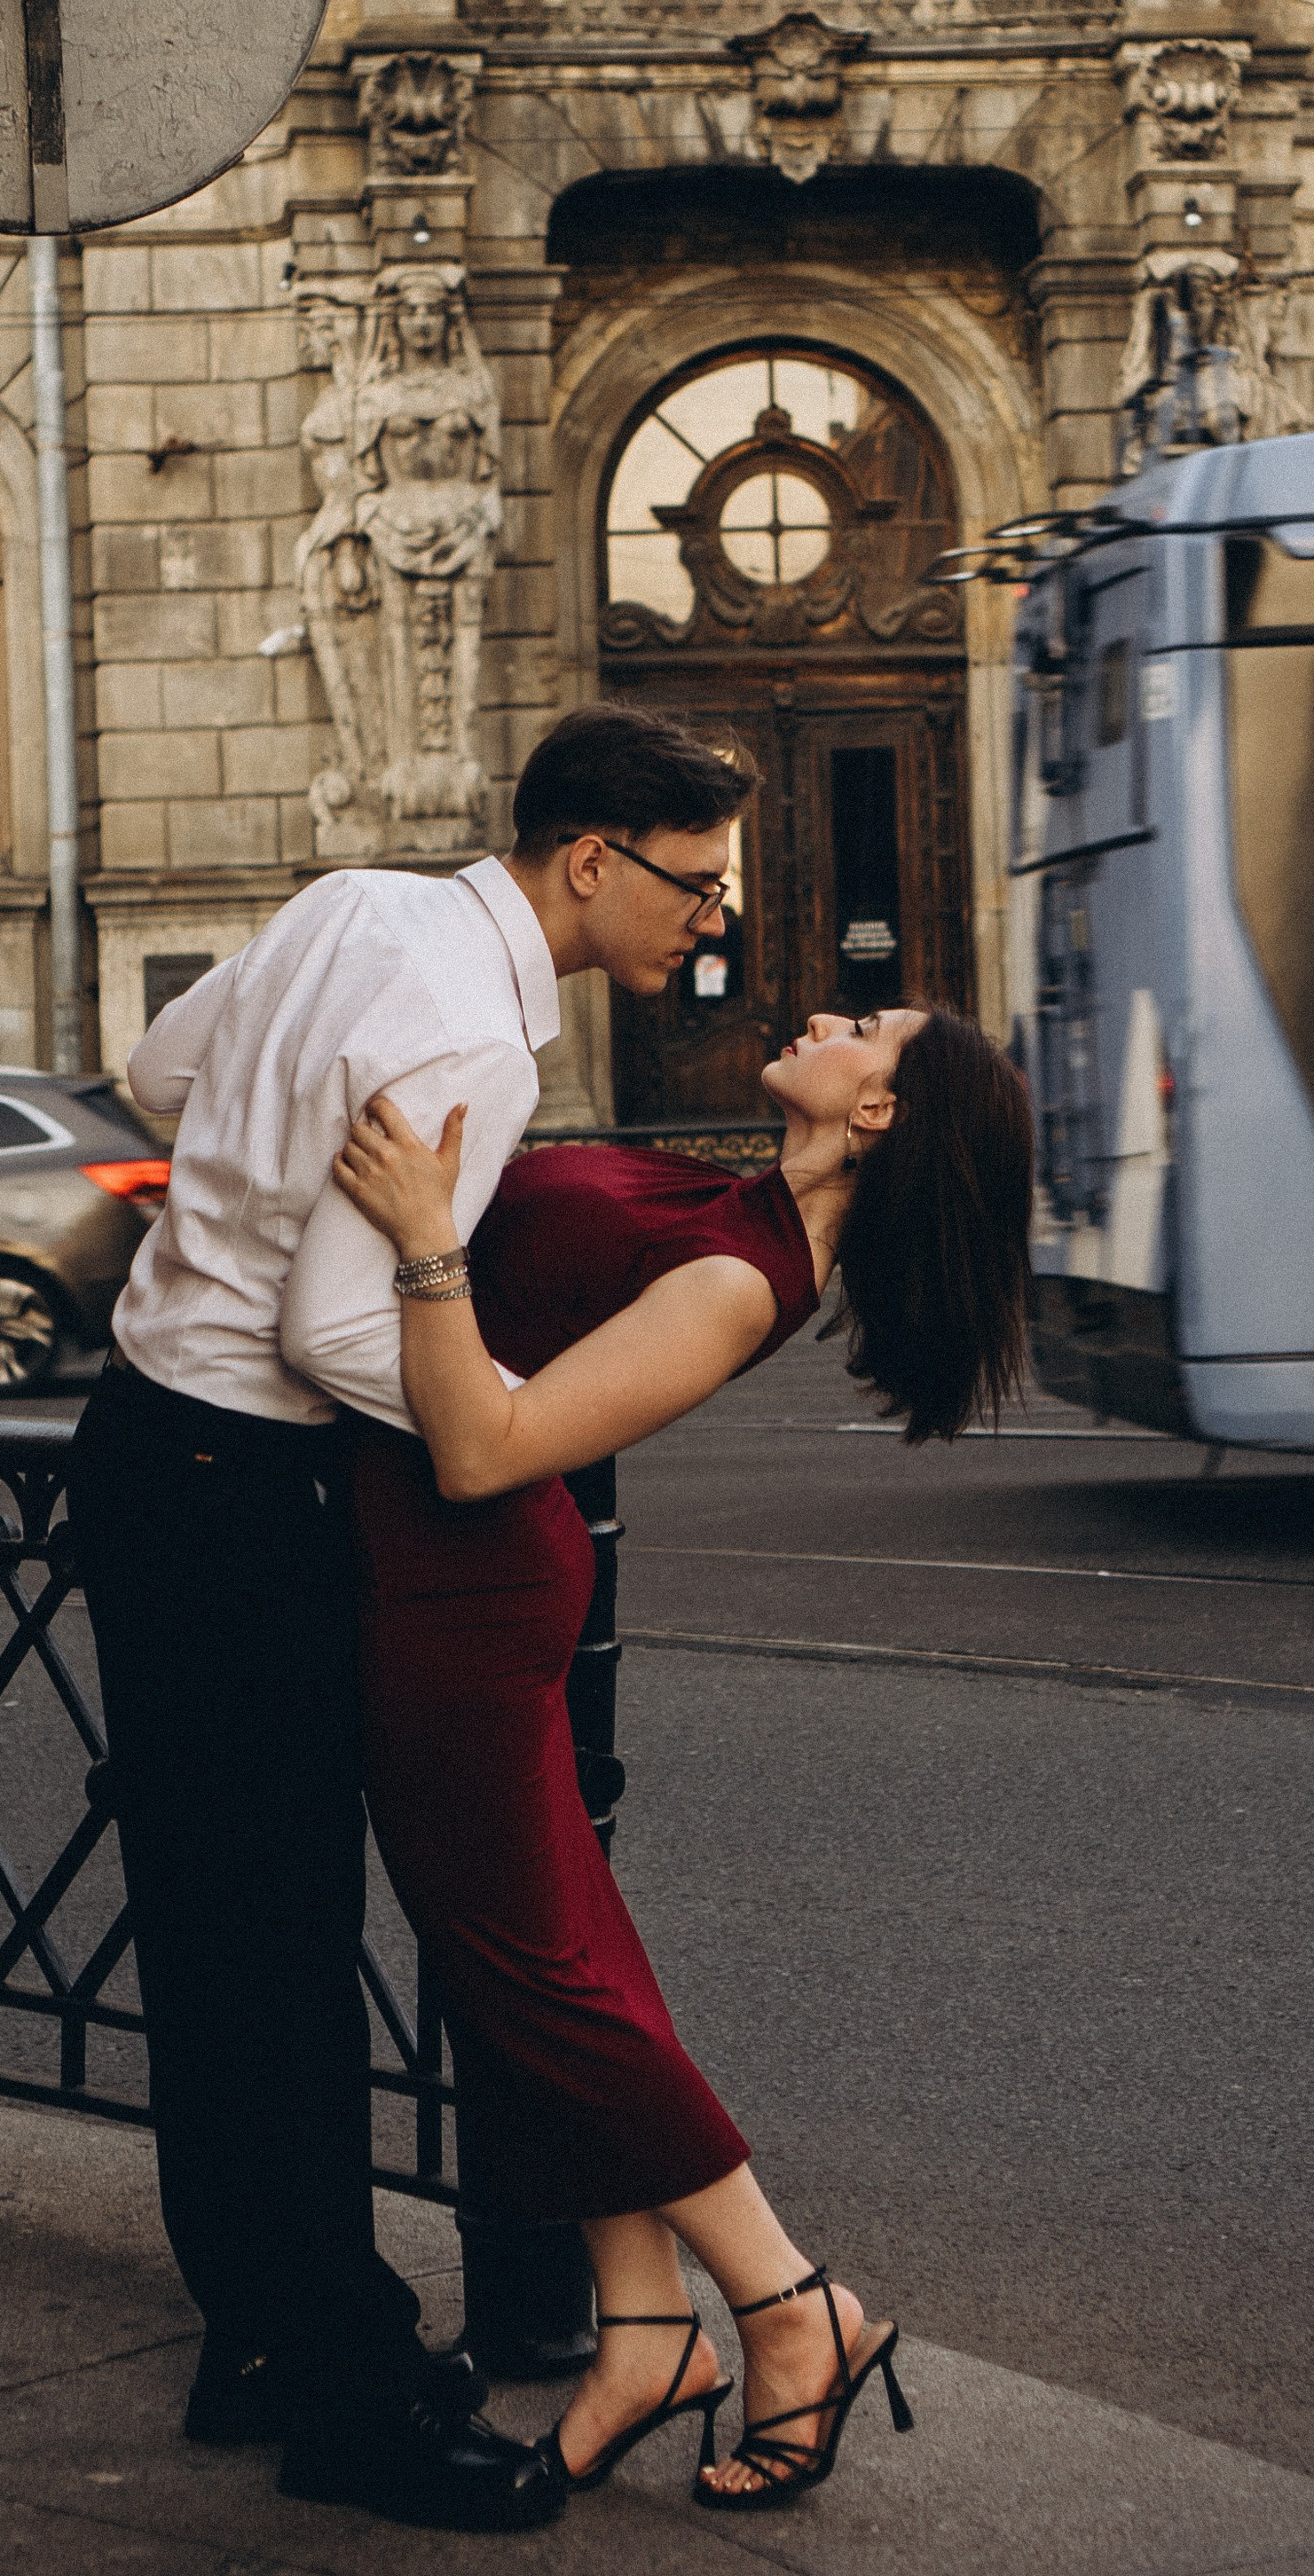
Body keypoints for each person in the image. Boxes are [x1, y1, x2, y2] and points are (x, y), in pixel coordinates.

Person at [69, 704, 753, 2534]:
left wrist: (251, 1200)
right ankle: (353, 2398)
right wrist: (498, 1408)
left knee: (218, 1941)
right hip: (238, 1478)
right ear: (586, 860)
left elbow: (154, 1069)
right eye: (690, 886)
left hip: (138, 1443)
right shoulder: (472, 1029)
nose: (711, 921)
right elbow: (337, 1336)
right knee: (287, 1953)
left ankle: (262, 2338)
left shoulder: (351, 905)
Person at [321, 997, 1035, 2508]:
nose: (831, 1014)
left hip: (467, 1595)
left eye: (873, 1028)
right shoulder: (730, 1196)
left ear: (883, 1113)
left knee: (536, 1979)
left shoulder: (742, 1274)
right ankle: (647, 2329)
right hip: (440, 1587)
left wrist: (423, 1236)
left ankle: (791, 2311)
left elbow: (487, 1448)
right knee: (550, 1965)